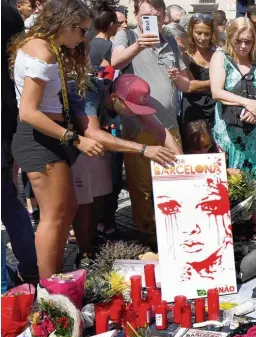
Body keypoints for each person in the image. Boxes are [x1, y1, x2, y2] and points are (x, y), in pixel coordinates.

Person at [10, 0, 103, 278]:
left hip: (46, 138)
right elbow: (28, 111)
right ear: (64, 23)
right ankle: (49, 288)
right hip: (38, 139)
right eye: (81, 30)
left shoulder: (44, 47)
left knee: (66, 209)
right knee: (54, 215)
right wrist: (74, 138)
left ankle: (53, 280)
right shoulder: (43, 51)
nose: (82, 37)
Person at [69, 74, 178, 265]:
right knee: (84, 200)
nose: (134, 113)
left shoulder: (126, 96)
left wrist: (182, 162)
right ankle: (84, 251)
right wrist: (144, 149)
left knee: (102, 193)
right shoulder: (87, 92)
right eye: (130, 108)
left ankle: (93, 239)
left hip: (98, 145)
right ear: (114, 98)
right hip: (74, 144)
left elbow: (158, 128)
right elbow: (92, 132)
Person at [111, 0, 186, 246]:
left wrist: (179, 76)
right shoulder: (127, 35)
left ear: (164, 16)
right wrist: (138, 46)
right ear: (135, 14)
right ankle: (147, 237)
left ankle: (175, 229)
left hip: (169, 123)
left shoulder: (171, 41)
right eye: (146, 15)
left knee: (174, 178)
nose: (151, 19)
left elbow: (182, 79)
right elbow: (116, 63)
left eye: (156, 14)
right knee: (142, 186)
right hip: (139, 126)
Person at [210, 17, 256, 241]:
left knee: (255, 172)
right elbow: (217, 92)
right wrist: (247, 103)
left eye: (248, 41)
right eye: (239, 41)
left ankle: (254, 221)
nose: (243, 46)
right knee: (233, 174)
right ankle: (232, 221)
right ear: (230, 38)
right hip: (230, 128)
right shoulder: (220, 57)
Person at [2, 0, 39, 286]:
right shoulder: (10, 13)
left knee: (9, 202)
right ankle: (29, 268)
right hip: (8, 121)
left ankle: (8, 281)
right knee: (10, 202)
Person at [180, 13, 217, 142]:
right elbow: (189, 86)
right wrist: (214, 83)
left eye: (207, 34)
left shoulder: (218, 53)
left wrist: (199, 84)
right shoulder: (185, 55)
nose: (202, 38)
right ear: (191, 31)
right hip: (193, 108)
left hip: (215, 108)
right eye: (198, 33)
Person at [89, 2, 120, 69]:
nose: (118, 26)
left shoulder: (90, 44)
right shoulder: (109, 47)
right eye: (117, 23)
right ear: (111, 24)